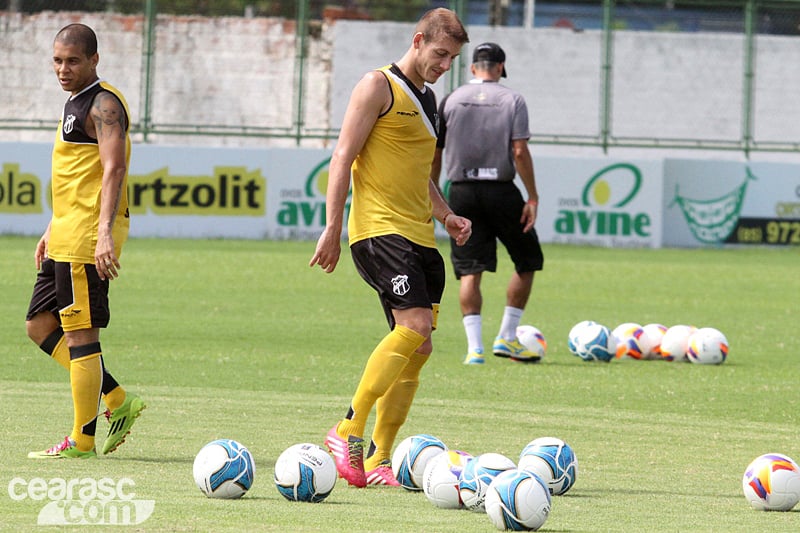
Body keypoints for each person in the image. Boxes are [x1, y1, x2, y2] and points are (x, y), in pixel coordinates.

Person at [309, 8, 471, 487]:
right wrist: (332, 226)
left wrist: (446, 215)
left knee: (418, 346)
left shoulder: (430, 99)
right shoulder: (377, 86)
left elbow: (419, 174)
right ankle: (347, 427)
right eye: (440, 54)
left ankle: (380, 459)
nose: (445, 64)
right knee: (415, 324)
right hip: (379, 231)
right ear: (418, 40)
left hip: (421, 235)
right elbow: (343, 155)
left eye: (452, 58)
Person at [25, 23, 145, 459]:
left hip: (85, 238)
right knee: (39, 324)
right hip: (65, 232)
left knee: (80, 336)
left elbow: (113, 169)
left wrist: (103, 235)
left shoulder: (103, 104)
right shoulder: (74, 103)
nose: (63, 68)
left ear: (94, 59)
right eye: (57, 60)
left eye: (72, 60)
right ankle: (116, 399)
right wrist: (50, 227)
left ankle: (83, 438)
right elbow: (77, 176)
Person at [430, 42, 545, 365]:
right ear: (501, 67)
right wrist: (532, 195)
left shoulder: (451, 99)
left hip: (462, 192)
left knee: (470, 269)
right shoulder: (512, 99)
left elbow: (435, 153)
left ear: (472, 68)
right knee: (527, 260)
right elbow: (519, 151)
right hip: (501, 190)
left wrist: (436, 195)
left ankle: (475, 349)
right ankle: (507, 337)